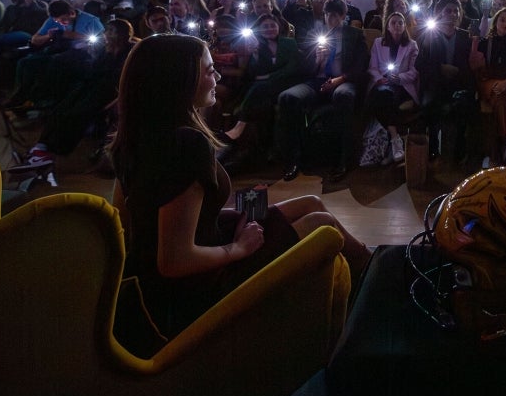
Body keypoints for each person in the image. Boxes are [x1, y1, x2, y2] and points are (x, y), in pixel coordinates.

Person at [109, 34, 370, 338]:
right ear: (181, 81)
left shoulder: (138, 137)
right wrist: (237, 247)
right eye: (209, 71)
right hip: (198, 287)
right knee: (321, 223)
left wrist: (243, 212)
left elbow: (162, 221)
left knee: (309, 202)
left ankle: (371, 269)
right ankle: (373, 285)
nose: (217, 77)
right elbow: (174, 261)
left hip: (177, 265)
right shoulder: (186, 145)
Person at [275, 0, 368, 180]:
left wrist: (339, 80)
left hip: (342, 80)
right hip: (317, 80)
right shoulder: (315, 34)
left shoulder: (354, 35)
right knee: (288, 97)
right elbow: (305, 68)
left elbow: (361, 66)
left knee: (344, 96)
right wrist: (317, 60)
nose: (330, 19)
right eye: (327, 15)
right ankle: (295, 158)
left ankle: (342, 159)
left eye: (334, 16)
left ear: (343, 16)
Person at [24, 18, 137, 163]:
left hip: (110, 91)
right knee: (62, 107)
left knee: (77, 113)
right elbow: (94, 70)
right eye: (107, 30)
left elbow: (117, 76)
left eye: (111, 31)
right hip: (92, 85)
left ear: (121, 34)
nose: (107, 34)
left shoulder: (129, 51)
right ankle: (42, 145)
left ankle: (56, 149)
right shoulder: (106, 49)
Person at [217, 13, 305, 165]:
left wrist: (268, 77)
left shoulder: (289, 43)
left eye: (273, 25)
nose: (270, 29)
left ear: (278, 27)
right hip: (266, 90)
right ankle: (250, 153)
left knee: (260, 85)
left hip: (287, 83)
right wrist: (255, 55)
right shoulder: (257, 46)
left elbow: (291, 69)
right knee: (260, 95)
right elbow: (254, 73)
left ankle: (239, 127)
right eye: (265, 26)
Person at [416, 0, 476, 161]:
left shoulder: (465, 36)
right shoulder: (429, 35)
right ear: (440, 13)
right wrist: (440, 68)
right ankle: (433, 145)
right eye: (448, 10)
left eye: (456, 11)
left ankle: (460, 148)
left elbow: (469, 66)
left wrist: (457, 72)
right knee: (429, 104)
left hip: (458, 84)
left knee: (465, 105)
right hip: (435, 83)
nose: (452, 14)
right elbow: (419, 64)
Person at [469, 7, 506, 166]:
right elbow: (476, 66)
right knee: (497, 90)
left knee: (502, 99)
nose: (505, 24)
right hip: (489, 81)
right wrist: (474, 41)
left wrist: (505, 83)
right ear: (495, 22)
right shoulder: (486, 42)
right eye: (502, 20)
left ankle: (497, 153)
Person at [366, 10, 420, 164]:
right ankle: (396, 138)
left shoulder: (411, 45)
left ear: (404, 26)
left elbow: (414, 71)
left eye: (400, 23)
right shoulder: (378, 43)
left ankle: (393, 142)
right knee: (382, 95)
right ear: (388, 27)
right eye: (393, 23)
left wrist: (400, 77)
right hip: (383, 82)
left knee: (385, 97)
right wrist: (379, 78)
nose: (397, 25)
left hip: (402, 85)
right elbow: (372, 67)